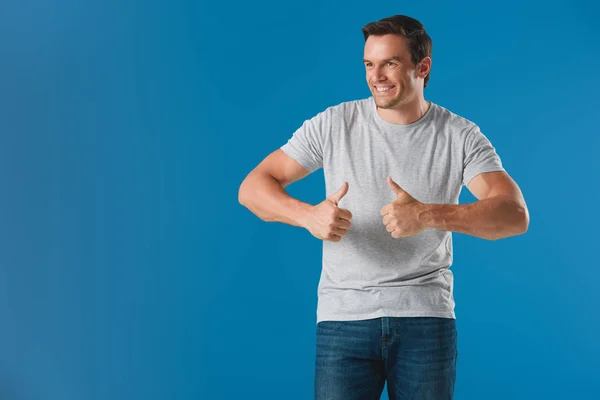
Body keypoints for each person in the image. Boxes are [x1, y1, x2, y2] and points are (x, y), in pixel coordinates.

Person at [238, 14, 529, 400]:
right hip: (344, 320)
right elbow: (252, 187)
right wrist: (307, 215)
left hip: (426, 319)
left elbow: (513, 214)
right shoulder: (334, 124)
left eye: (390, 63)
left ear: (422, 67)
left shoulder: (460, 135)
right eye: (369, 65)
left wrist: (427, 214)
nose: (377, 76)